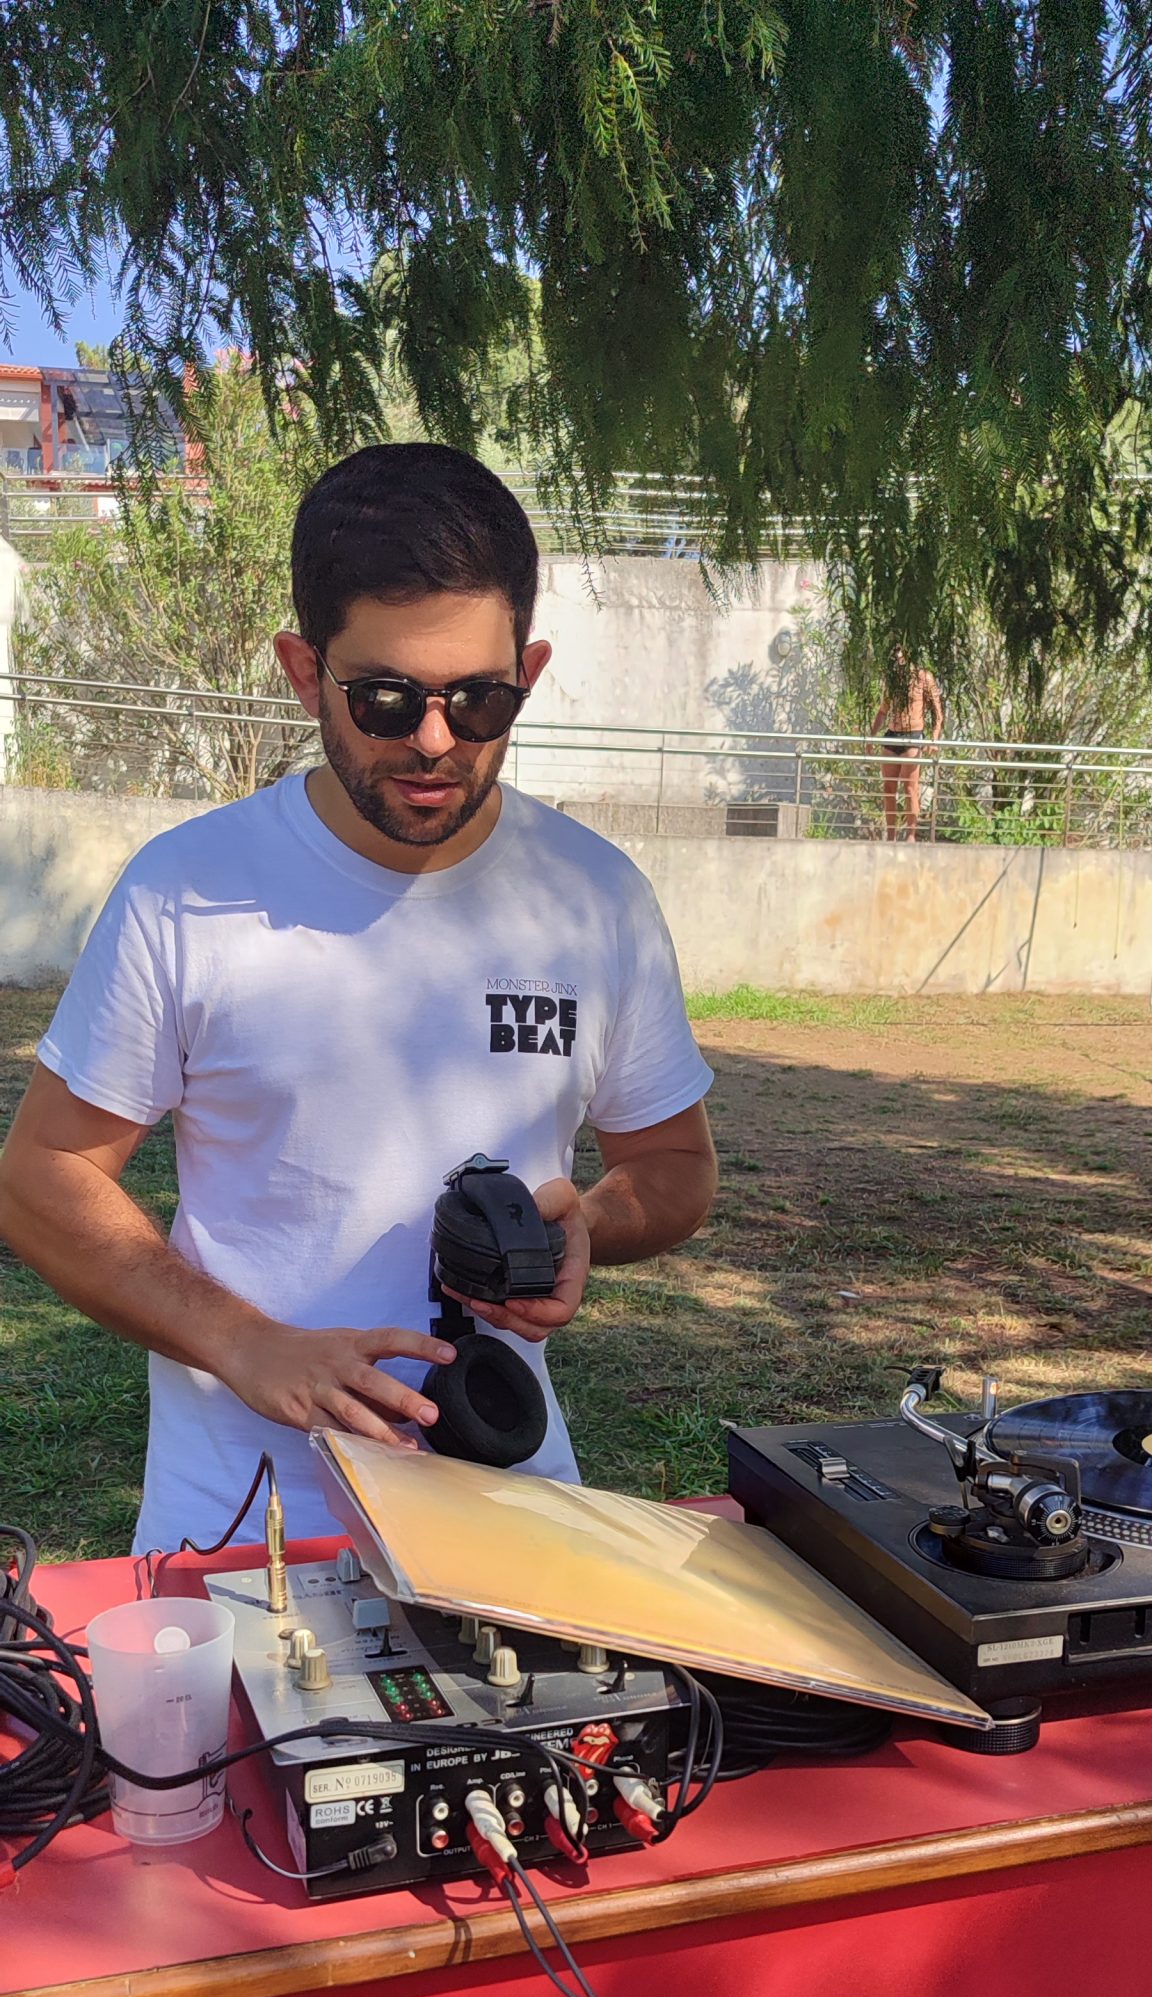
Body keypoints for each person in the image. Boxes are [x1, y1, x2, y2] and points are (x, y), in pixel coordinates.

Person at [0, 445, 717, 1551]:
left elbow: (672, 1167)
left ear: (527, 670)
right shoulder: (187, 889)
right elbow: (41, 1176)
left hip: (518, 1514)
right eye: (386, 698)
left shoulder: (596, 898)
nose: (434, 741)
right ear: (305, 672)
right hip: (244, 1532)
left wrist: (589, 1226)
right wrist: (245, 1342)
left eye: (479, 700)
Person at [868, 649, 943, 840]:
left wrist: (934, 739)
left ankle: (911, 835)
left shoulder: (924, 677)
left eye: (900, 657)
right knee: (888, 788)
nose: (898, 661)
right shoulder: (893, 680)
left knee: (910, 787)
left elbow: (937, 712)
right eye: (895, 658)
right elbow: (883, 711)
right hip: (892, 734)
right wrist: (871, 736)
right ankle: (891, 836)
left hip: (913, 736)